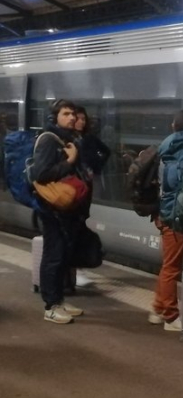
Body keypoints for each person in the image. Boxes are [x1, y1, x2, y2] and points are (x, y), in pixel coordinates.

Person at [31, 100, 85, 324]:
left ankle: (59, 301)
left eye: (73, 114)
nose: (72, 118)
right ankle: (50, 306)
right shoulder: (48, 141)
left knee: (62, 256)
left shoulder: (66, 140)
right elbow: (41, 174)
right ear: (55, 117)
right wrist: (70, 161)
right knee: (53, 256)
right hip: (51, 209)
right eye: (66, 114)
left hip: (65, 210)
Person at [149, 110, 183, 331]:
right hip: (175, 215)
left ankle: (158, 309)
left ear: (172, 126)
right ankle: (169, 315)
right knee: (171, 267)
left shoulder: (166, 149)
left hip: (163, 212)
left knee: (168, 264)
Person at [72, 106, 110, 287]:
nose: (80, 122)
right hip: (69, 190)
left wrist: (95, 167)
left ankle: (76, 269)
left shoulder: (87, 139)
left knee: (80, 223)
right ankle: (73, 270)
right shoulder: (65, 139)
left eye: (82, 119)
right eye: (76, 118)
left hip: (84, 189)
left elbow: (105, 152)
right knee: (73, 228)